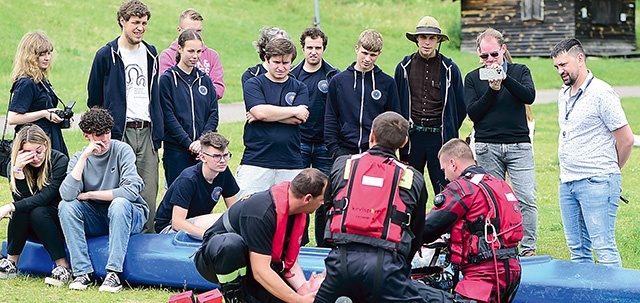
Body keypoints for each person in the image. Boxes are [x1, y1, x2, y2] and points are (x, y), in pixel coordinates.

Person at [315, 111, 432, 303]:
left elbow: (327, 208)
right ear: (403, 143)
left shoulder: (343, 164)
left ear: (371, 136)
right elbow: (417, 228)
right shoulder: (412, 177)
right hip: (388, 266)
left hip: (341, 261)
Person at [551, 38, 634, 267]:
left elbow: (626, 140)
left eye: (564, 64)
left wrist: (607, 173)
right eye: (557, 67)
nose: (560, 71)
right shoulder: (563, 94)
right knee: (577, 252)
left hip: (597, 181)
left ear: (580, 59)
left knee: (604, 248)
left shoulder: (602, 93)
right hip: (567, 181)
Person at [194, 169, 327, 303]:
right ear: (308, 198)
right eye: (322, 200)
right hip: (217, 259)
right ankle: (235, 297)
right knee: (231, 244)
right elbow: (260, 271)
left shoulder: (301, 214)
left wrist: (303, 290)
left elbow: (290, 262)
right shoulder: (261, 212)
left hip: (255, 265)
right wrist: (297, 300)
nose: (322, 204)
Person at [87, 0, 161, 233]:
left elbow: (155, 93)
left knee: (148, 191)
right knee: (120, 191)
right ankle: (117, 238)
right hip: (119, 132)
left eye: (144, 23)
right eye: (135, 22)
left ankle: (146, 242)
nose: (140, 28)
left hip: (147, 131)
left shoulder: (151, 53)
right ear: (122, 21)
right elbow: (94, 99)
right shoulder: (106, 54)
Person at [58, 108, 149, 292]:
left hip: (129, 214)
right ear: (87, 136)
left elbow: (131, 191)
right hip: (98, 216)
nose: (105, 139)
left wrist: (91, 194)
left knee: (119, 203)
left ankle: (113, 273)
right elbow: (67, 195)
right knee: (65, 207)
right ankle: (82, 272)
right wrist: (84, 157)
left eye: (107, 132)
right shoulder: (79, 158)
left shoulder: (122, 150)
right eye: (99, 135)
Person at [464, 28, 537, 257]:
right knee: (493, 200)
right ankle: (500, 245)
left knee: (526, 196)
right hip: (488, 144)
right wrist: (492, 91)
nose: (489, 60)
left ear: (503, 50)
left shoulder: (519, 70)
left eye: (493, 55)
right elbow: (473, 113)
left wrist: (504, 80)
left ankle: (528, 248)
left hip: (518, 144)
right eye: (484, 56)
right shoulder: (473, 78)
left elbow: (529, 96)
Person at [423, 138, 522, 303]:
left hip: (483, 276)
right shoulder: (500, 185)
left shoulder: (463, 188)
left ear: (453, 163)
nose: (445, 177)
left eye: (444, 169)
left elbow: (428, 228)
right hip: (512, 271)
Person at [395, 16, 466, 194]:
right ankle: (411, 223)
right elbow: (395, 104)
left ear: (438, 40)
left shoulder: (450, 69)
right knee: (409, 189)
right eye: (423, 37)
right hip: (412, 137)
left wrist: (448, 128)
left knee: (445, 190)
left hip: (440, 138)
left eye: (432, 38)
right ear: (417, 39)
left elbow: (461, 107)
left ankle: (444, 222)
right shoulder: (404, 67)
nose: (427, 42)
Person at [235, 38, 310, 199]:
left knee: (291, 212)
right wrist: (292, 110)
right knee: (246, 210)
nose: (281, 67)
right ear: (266, 59)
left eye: (286, 63)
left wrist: (266, 115)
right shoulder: (253, 83)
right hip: (256, 160)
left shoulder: (300, 87)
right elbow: (260, 112)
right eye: (276, 62)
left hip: (291, 162)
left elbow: (299, 118)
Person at [0, 125, 70, 286]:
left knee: (35, 211)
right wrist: (18, 172)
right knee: (22, 208)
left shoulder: (59, 160)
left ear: (46, 144)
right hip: (30, 224)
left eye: (39, 151)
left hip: (54, 220)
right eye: (29, 153)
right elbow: (22, 199)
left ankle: (63, 266)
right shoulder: (16, 165)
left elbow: (44, 198)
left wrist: (8, 207)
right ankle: (11, 262)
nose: (36, 157)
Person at [289, 27, 339, 247]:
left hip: (323, 146)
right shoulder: (292, 75)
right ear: (303, 48)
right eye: (309, 47)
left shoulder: (333, 75)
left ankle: (323, 245)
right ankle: (298, 242)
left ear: (324, 49)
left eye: (318, 48)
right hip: (297, 143)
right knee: (297, 195)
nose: (313, 52)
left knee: (323, 198)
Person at [324, 29, 401, 159]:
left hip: (376, 152)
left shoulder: (387, 83)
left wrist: (386, 148)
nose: (367, 59)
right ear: (357, 49)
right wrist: (334, 150)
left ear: (379, 54)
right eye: (364, 53)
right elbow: (331, 116)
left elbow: (393, 119)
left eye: (373, 55)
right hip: (344, 152)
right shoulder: (338, 81)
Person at [159, 29, 219, 187]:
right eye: (191, 51)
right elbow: (168, 115)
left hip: (202, 150)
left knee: (200, 195)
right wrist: (188, 143)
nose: (195, 56)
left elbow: (213, 114)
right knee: (178, 194)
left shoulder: (204, 80)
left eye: (199, 51)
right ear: (180, 49)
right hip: (176, 150)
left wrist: (201, 141)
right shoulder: (168, 79)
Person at [154, 131, 239, 238]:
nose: (223, 161)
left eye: (226, 155)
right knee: (220, 221)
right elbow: (177, 223)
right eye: (217, 156)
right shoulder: (188, 179)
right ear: (203, 157)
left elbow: (234, 210)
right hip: (169, 228)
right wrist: (209, 236)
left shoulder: (223, 172)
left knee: (234, 219)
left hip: (195, 223)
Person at [8, 31, 69, 156]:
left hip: (49, 138)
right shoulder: (26, 83)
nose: (47, 58)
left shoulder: (40, 79)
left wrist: (58, 116)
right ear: (30, 56)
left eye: (49, 53)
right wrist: (44, 114)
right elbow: (13, 118)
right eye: (42, 54)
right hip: (34, 145)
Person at [159, 8, 225, 100]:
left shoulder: (212, 56)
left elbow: (219, 89)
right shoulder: (168, 55)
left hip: (205, 111)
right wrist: (202, 91)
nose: (194, 35)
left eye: (198, 31)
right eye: (189, 31)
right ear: (179, 30)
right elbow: (169, 88)